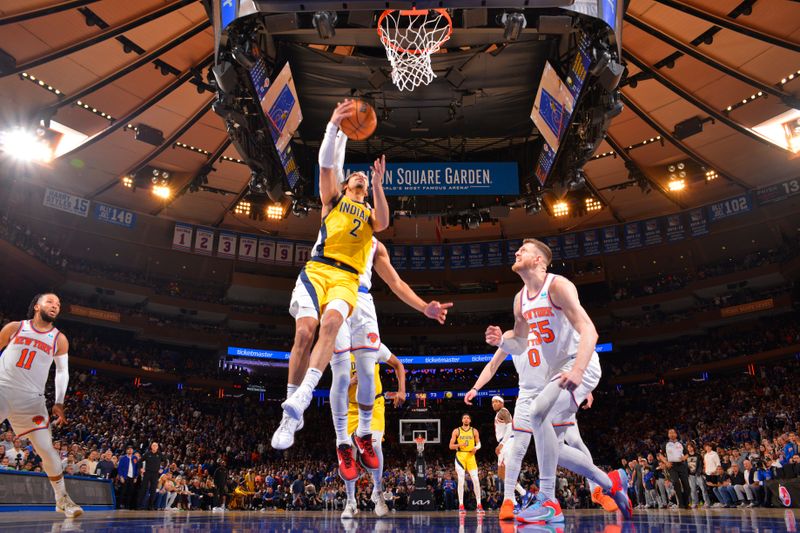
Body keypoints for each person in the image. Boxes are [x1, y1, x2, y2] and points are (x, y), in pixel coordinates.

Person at [469, 239, 632, 523]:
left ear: (539, 262)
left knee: (537, 414)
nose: (517, 252)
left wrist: (579, 371)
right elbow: (520, 342)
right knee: (552, 445)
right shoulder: (520, 299)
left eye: (524, 250)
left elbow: (589, 331)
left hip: (579, 364)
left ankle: (549, 502)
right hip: (558, 372)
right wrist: (503, 341)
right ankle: (610, 482)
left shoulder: (558, 286)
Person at [272, 100, 390, 450]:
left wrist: (379, 184)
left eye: (363, 177)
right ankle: (289, 418)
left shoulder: (370, 213)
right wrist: (333, 126)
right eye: (356, 174)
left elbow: (383, 223)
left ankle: (305, 394)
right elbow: (326, 164)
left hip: (347, 278)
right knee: (304, 332)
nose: (360, 175)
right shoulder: (334, 198)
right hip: (317, 269)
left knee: (332, 323)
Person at [0, 293, 83, 517]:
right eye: (50, 302)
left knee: (47, 450)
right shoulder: (15, 327)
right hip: (3, 388)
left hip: (32, 400)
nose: (55, 306)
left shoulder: (59, 339)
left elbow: (63, 371)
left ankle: (62, 499)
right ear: (37, 306)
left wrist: (58, 401)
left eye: (58, 305)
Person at [340, 347, 407, 519]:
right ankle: (350, 502)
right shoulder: (339, 350)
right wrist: (350, 382)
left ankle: (377, 492)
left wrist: (402, 391)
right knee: (349, 454)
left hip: (374, 404)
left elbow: (398, 365)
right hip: (351, 408)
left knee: (374, 444)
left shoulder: (375, 344)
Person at [448, 413, 484, 515]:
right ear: (462, 420)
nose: (466, 419)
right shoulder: (457, 431)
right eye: (464, 418)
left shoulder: (474, 430)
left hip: (471, 456)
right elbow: (450, 446)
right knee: (461, 480)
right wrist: (460, 444)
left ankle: (479, 505)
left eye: (468, 418)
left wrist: (476, 448)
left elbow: (479, 444)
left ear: (470, 420)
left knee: (476, 480)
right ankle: (461, 505)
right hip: (460, 456)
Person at [491, 396, 525, 499]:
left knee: (507, 473)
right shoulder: (499, 414)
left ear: (502, 403)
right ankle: (521, 494)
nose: (494, 404)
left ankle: (516, 498)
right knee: (502, 474)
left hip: (508, 442)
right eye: (493, 402)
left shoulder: (503, 411)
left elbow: (510, 427)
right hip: (505, 442)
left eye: (497, 402)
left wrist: (502, 444)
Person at [665, 428, 691, 509]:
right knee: (676, 483)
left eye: (673, 432)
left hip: (682, 465)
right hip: (672, 466)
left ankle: (686, 503)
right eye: (670, 433)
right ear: (668, 435)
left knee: (687, 486)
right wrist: (666, 462)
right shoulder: (666, 444)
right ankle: (681, 503)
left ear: (676, 434)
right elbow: (660, 455)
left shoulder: (680, 444)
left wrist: (684, 457)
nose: (672, 434)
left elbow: (687, 454)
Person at [140, 442, 164, 510]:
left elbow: (166, 461)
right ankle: (140, 505)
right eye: (153, 445)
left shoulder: (160, 454)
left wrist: (162, 468)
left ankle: (151, 506)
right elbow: (140, 461)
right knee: (143, 489)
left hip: (155, 474)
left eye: (156, 445)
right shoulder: (147, 453)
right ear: (151, 447)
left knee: (153, 490)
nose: (154, 446)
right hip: (147, 473)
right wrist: (141, 468)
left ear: (157, 447)